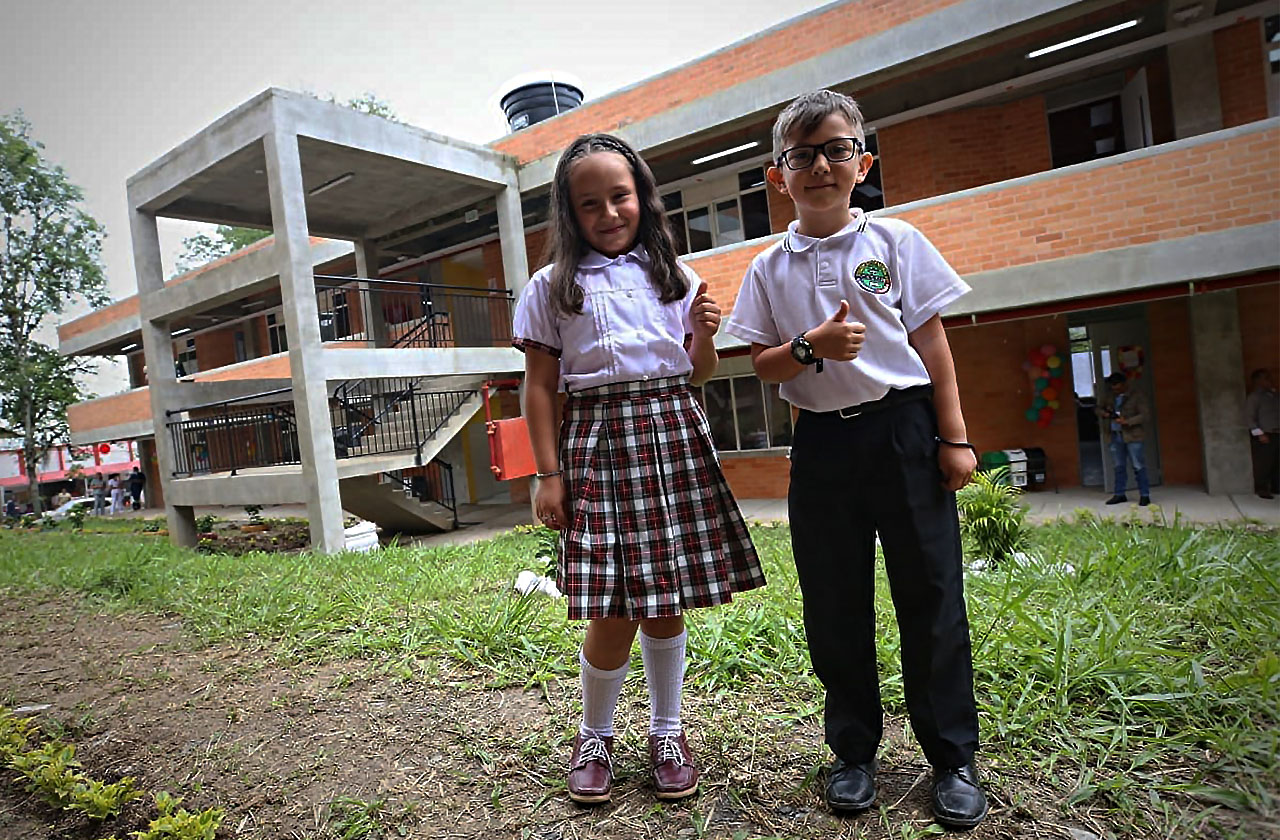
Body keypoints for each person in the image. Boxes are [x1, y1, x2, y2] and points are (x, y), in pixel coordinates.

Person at [724, 89, 988, 829]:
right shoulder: (769, 268)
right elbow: (764, 366)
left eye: (837, 149)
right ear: (779, 175)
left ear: (861, 162)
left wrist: (956, 436)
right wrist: (812, 347)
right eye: (801, 155)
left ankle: (953, 758)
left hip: (904, 432)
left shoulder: (896, 244)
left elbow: (932, 345)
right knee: (835, 602)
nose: (820, 165)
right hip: (824, 445)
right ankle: (853, 753)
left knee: (931, 596)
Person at [513, 133, 765, 806]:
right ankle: (594, 734)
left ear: (642, 198)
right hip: (596, 442)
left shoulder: (672, 276)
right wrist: (548, 473)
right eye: (589, 202)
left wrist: (704, 333)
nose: (609, 212)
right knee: (613, 606)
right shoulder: (551, 287)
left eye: (619, 196)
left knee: (665, 599)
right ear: (570, 214)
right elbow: (539, 386)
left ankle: (667, 731)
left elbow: (698, 372)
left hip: (672, 435)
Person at [1095, 372, 1150, 506]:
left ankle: (1144, 495)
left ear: (1124, 384)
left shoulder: (1136, 395)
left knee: (1138, 466)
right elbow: (1097, 409)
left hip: (1132, 435)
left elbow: (1145, 415)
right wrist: (1104, 413)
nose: (1115, 390)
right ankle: (1119, 494)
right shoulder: (1109, 396)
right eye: (1113, 388)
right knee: (1118, 467)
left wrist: (1128, 421)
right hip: (1114, 435)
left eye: (1118, 387)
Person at [1246, 368, 1279, 500]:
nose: (1270, 380)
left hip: (1277, 432)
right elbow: (1249, 418)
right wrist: (1259, 434)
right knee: (1264, 463)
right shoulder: (1254, 398)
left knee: (1277, 463)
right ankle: (1262, 488)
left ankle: (1277, 486)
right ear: (1257, 380)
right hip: (1265, 434)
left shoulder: (1275, 396)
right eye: (1266, 378)